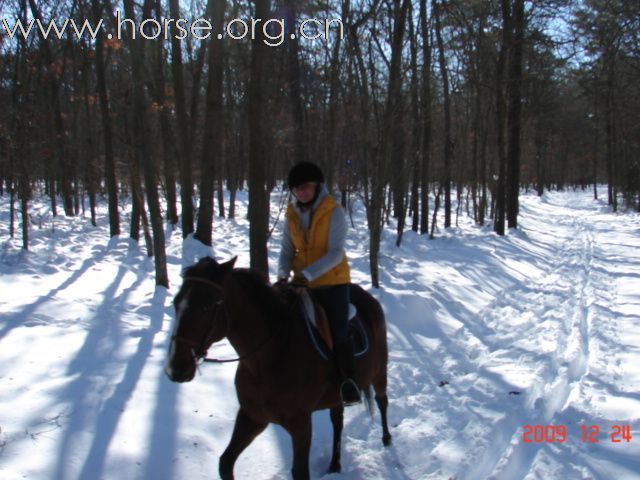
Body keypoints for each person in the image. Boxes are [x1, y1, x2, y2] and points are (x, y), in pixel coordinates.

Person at [277, 161, 361, 405]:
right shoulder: (291, 214)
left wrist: (307, 275)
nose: (301, 192)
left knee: (339, 330)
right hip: (300, 283)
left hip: (333, 282)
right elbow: (286, 249)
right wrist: (283, 275)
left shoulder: (334, 211)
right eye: (296, 188)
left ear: (316, 186)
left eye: (306, 187)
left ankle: (349, 382)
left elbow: (335, 252)